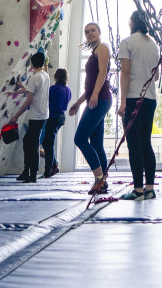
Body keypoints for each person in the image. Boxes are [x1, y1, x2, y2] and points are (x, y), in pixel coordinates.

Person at [117, 10, 160, 201]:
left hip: (134, 98)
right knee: (146, 143)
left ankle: (138, 190)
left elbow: (125, 72)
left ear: (132, 22)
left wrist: (123, 102)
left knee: (134, 145)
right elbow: (156, 76)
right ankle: (150, 189)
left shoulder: (127, 42)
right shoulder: (154, 45)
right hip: (150, 99)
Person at [69, 23, 112, 195]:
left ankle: (99, 179)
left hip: (100, 99)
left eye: (92, 30)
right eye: (86, 32)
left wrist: (94, 95)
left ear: (99, 32)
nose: (89, 33)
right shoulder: (94, 51)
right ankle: (103, 180)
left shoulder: (102, 48)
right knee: (96, 143)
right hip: (95, 98)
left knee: (80, 138)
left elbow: (102, 73)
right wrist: (79, 102)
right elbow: (90, 83)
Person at [8, 51, 50, 183]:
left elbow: (29, 99)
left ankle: (32, 174)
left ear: (32, 63)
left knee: (32, 144)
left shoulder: (35, 77)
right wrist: (17, 90)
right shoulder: (45, 75)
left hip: (36, 115)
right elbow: (31, 91)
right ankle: (27, 171)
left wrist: (15, 116)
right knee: (29, 142)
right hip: (43, 114)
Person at [42, 68, 71, 178]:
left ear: (56, 77)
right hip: (61, 117)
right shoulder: (67, 90)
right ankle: (54, 165)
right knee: (47, 142)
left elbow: (45, 99)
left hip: (53, 117)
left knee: (48, 144)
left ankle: (48, 171)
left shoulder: (53, 89)